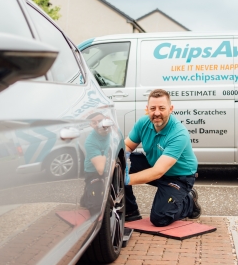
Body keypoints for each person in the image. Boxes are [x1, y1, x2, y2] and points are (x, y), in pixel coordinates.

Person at [124, 89, 201, 227]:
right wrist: (115, 165)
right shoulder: (143, 123)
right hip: (155, 167)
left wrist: (123, 180)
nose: (157, 113)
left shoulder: (179, 134)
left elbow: (158, 172)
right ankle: (130, 212)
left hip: (179, 177)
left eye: (162, 108)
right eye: (153, 108)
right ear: (147, 109)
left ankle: (188, 201)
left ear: (171, 109)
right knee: (120, 164)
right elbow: (127, 146)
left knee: (160, 218)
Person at [80, 112, 112, 214]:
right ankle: (89, 195)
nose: (98, 124)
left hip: (105, 167)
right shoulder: (90, 141)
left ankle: (86, 195)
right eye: (94, 122)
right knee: (97, 208)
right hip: (93, 171)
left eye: (100, 121)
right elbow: (100, 169)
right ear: (91, 125)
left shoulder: (111, 131)